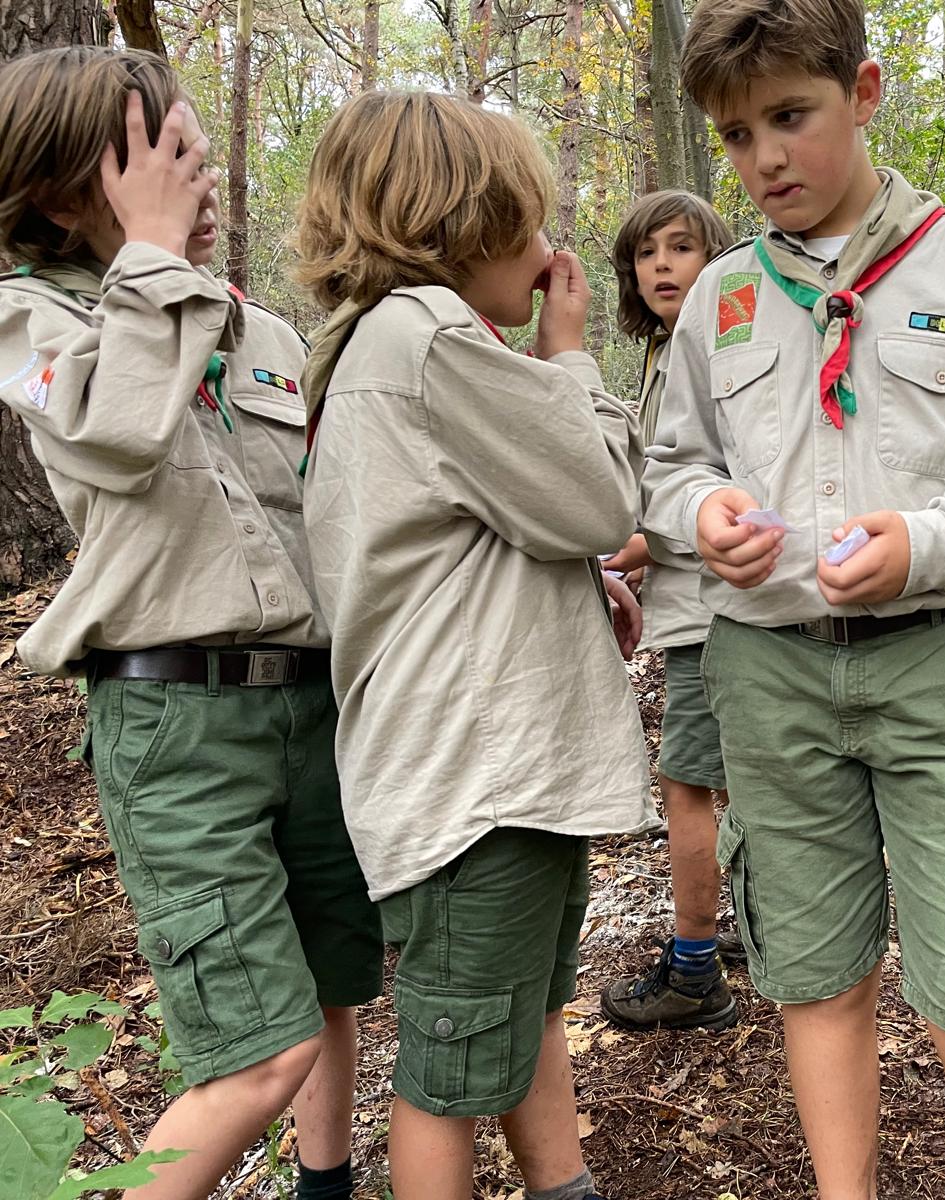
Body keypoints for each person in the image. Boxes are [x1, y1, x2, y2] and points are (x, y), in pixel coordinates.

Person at [640, 0, 945, 1194]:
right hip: (768, 673)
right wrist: (700, 517)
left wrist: (932, 543)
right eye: (737, 136)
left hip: (938, 669)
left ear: (864, 91)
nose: (764, 159)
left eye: (790, 117)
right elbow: (669, 463)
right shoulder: (722, 295)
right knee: (814, 975)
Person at [0, 48, 381, 1200]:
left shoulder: (255, 330)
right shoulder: (27, 320)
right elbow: (114, 431)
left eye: (200, 160)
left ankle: (326, 1185)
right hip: (174, 720)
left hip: (308, 702)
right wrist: (155, 257)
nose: (200, 187)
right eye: (162, 165)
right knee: (258, 1051)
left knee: (326, 991)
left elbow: (340, 511)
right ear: (70, 193)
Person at [294, 90, 654, 1200]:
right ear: (464, 223)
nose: (551, 252)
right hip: (479, 785)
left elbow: (462, 539)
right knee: (448, 1069)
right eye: (532, 223)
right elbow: (599, 495)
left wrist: (570, 581)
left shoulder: (386, 343)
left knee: (520, 1010)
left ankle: (563, 1186)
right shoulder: (431, 336)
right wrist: (568, 356)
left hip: (485, 774)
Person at [599, 190, 744, 1033]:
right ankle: (740, 932)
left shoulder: (725, 349)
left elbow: (716, 484)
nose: (662, 265)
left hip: (712, 607)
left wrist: (636, 548)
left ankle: (695, 970)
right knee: (731, 780)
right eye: (647, 253)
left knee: (686, 783)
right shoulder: (662, 354)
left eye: (682, 248)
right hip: (692, 606)